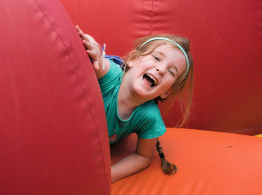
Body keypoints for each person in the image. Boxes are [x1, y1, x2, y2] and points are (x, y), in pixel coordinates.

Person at [77, 26, 194, 182]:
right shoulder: (109, 75)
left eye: (171, 72)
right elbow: (97, 61)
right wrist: (93, 50)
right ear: (132, 59)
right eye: (157, 58)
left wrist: (106, 176)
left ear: (166, 92)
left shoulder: (149, 116)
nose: (160, 69)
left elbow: (143, 157)